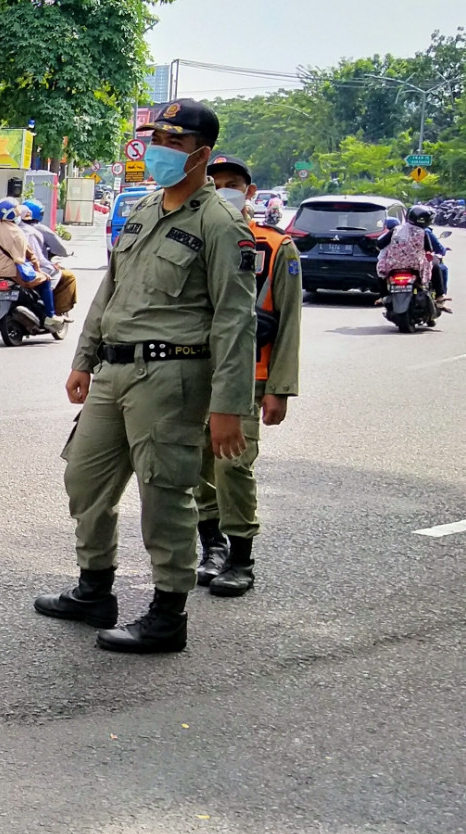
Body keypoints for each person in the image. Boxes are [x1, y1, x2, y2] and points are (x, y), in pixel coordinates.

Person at [33, 99, 257, 654]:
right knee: (84, 479)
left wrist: (229, 405)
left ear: (200, 155)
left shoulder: (221, 223)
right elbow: (110, 290)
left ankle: (167, 613)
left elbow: (236, 317)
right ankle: (95, 589)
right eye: (156, 139)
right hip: (114, 369)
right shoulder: (144, 210)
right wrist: (84, 358)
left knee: (165, 494)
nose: (158, 150)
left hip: (174, 373)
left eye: (173, 143)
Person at [193, 155, 302, 598]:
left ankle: (241, 557)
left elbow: (290, 320)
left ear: (250, 192)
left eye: (232, 183)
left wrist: (280, 388)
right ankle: (211, 546)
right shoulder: (193, 236)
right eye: (214, 183)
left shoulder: (276, 247)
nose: (223, 190)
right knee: (197, 463)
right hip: (194, 370)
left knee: (233, 464)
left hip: (249, 377)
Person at [0, 198, 60, 331]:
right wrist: (38, 269)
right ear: (13, 215)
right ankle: (50, 316)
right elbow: (29, 254)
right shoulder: (17, 232)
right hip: (16, 274)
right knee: (46, 281)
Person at [22, 199, 79, 320]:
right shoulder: (39, 230)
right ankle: (54, 312)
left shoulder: (11, 228)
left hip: (12, 269)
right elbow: (55, 250)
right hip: (33, 267)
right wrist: (66, 253)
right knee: (62, 277)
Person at [408, 204, 450, 303]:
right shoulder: (425, 232)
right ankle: (440, 296)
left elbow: (381, 243)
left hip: (397, 263)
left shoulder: (398, 229)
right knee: (440, 268)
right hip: (418, 263)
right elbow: (433, 249)